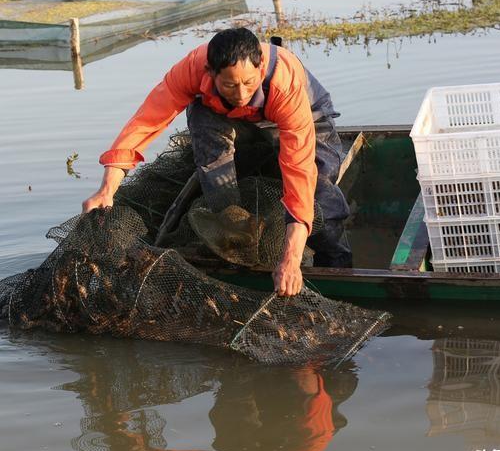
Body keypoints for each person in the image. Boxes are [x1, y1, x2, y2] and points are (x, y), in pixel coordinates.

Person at [83, 28, 351, 297]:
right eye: (230, 85)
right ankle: (235, 242)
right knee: (203, 123)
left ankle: (336, 266)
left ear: (259, 67)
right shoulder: (191, 69)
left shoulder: (284, 83)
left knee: (320, 191)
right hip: (227, 118)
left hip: (306, 116)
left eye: (248, 82)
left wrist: (291, 259)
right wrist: (107, 189)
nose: (242, 93)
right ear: (210, 73)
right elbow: (147, 121)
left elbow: (299, 170)